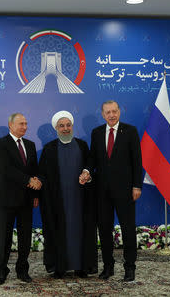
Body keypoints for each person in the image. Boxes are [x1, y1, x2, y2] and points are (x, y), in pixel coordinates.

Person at [80, 100, 142, 282]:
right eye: (108, 112)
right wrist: (86, 171)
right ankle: (108, 267)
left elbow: (137, 161)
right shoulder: (97, 133)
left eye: (114, 111)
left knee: (128, 230)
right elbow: (93, 159)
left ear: (119, 112)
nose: (111, 115)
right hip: (102, 192)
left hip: (126, 191)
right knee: (105, 230)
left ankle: (129, 268)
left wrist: (137, 185)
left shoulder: (130, 131)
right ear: (103, 114)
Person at [38, 111, 97, 279]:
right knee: (59, 230)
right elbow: (42, 174)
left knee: (81, 230)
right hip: (58, 201)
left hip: (80, 200)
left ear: (72, 126)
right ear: (56, 128)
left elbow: (90, 165)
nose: (65, 128)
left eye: (68, 125)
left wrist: (87, 173)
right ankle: (60, 267)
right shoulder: (49, 149)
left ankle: (81, 267)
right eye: (61, 126)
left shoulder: (82, 145)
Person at [0, 113, 41, 285]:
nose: (25, 127)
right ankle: (2, 270)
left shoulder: (30, 144)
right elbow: (6, 169)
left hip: (26, 200)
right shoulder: (1, 144)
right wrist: (29, 181)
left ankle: (22, 269)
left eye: (26, 124)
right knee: (5, 237)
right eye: (21, 123)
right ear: (10, 125)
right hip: (6, 199)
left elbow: (34, 170)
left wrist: (36, 193)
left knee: (25, 237)